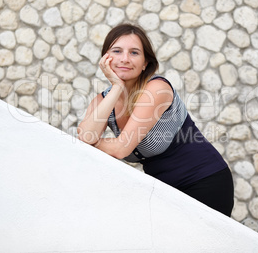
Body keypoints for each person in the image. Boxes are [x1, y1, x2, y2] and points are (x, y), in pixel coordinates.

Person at [77, 23, 234, 217]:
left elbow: (119, 148)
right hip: (165, 191)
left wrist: (93, 142)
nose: (125, 59)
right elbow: (84, 138)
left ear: (145, 63)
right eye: (117, 51)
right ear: (105, 59)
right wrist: (117, 86)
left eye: (134, 53)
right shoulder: (104, 100)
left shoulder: (156, 89)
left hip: (204, 181)